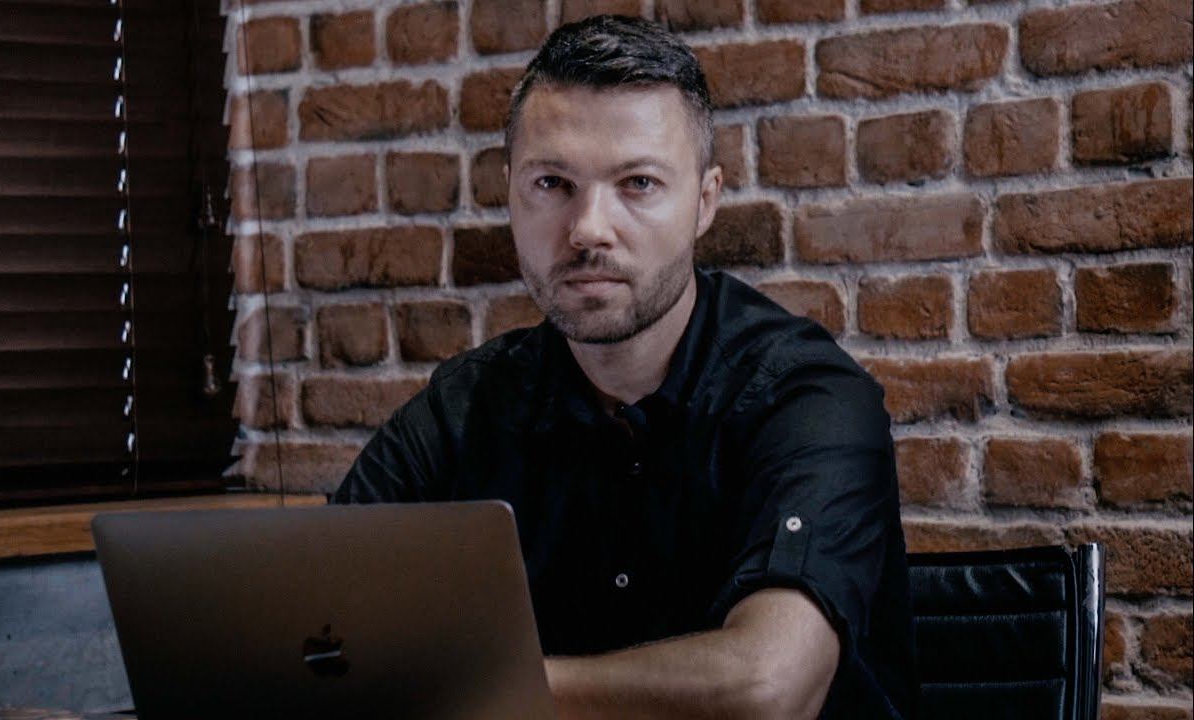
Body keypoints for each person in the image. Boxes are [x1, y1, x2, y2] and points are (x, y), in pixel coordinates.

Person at [333, 15, 916, 719]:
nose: (588, 229)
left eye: (638, 183)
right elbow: (315, 626)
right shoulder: (465, 410)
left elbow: (766, 689)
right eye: (552, 183)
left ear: (705, 201)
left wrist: (470, 687)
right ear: (509, 192)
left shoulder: (810, 401)